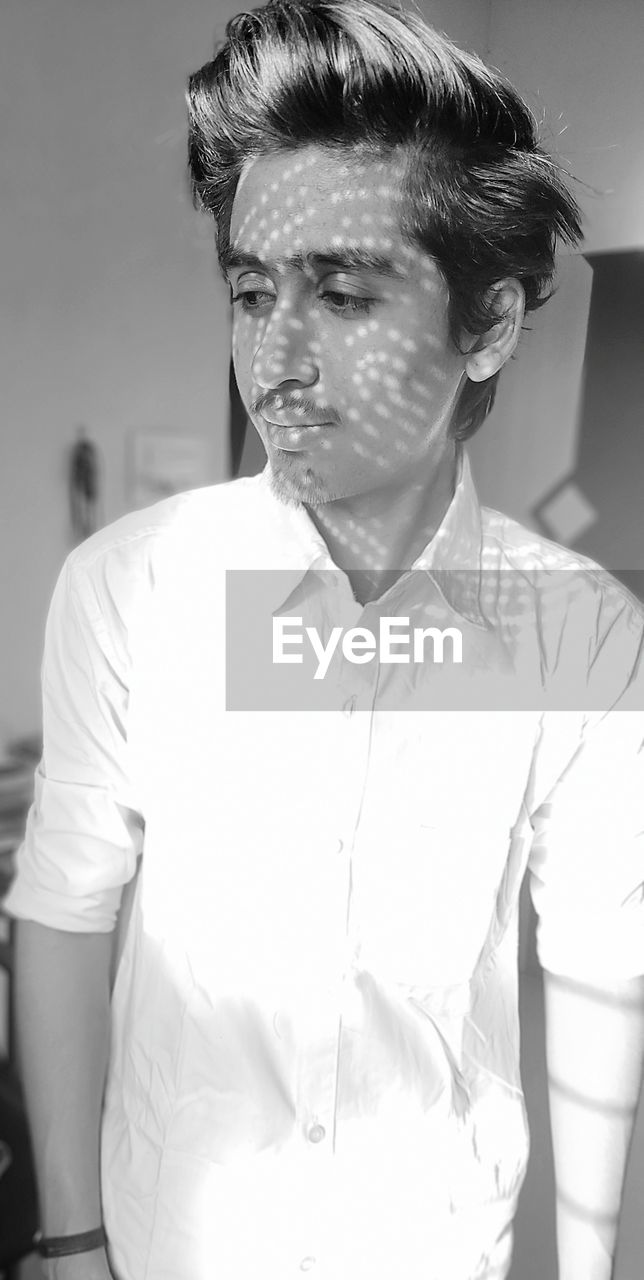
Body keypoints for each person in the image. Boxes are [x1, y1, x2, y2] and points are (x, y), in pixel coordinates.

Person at [4, 2, 644, 1278]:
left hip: (427, 1244)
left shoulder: (570, 627)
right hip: (169, 1240)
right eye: (252, 290)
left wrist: (586, 1262)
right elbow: (66, 905)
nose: (273, 362)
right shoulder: (134, 588)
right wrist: (67, 1232)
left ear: (490, 326)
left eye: (343, 292)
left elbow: (595, 967)